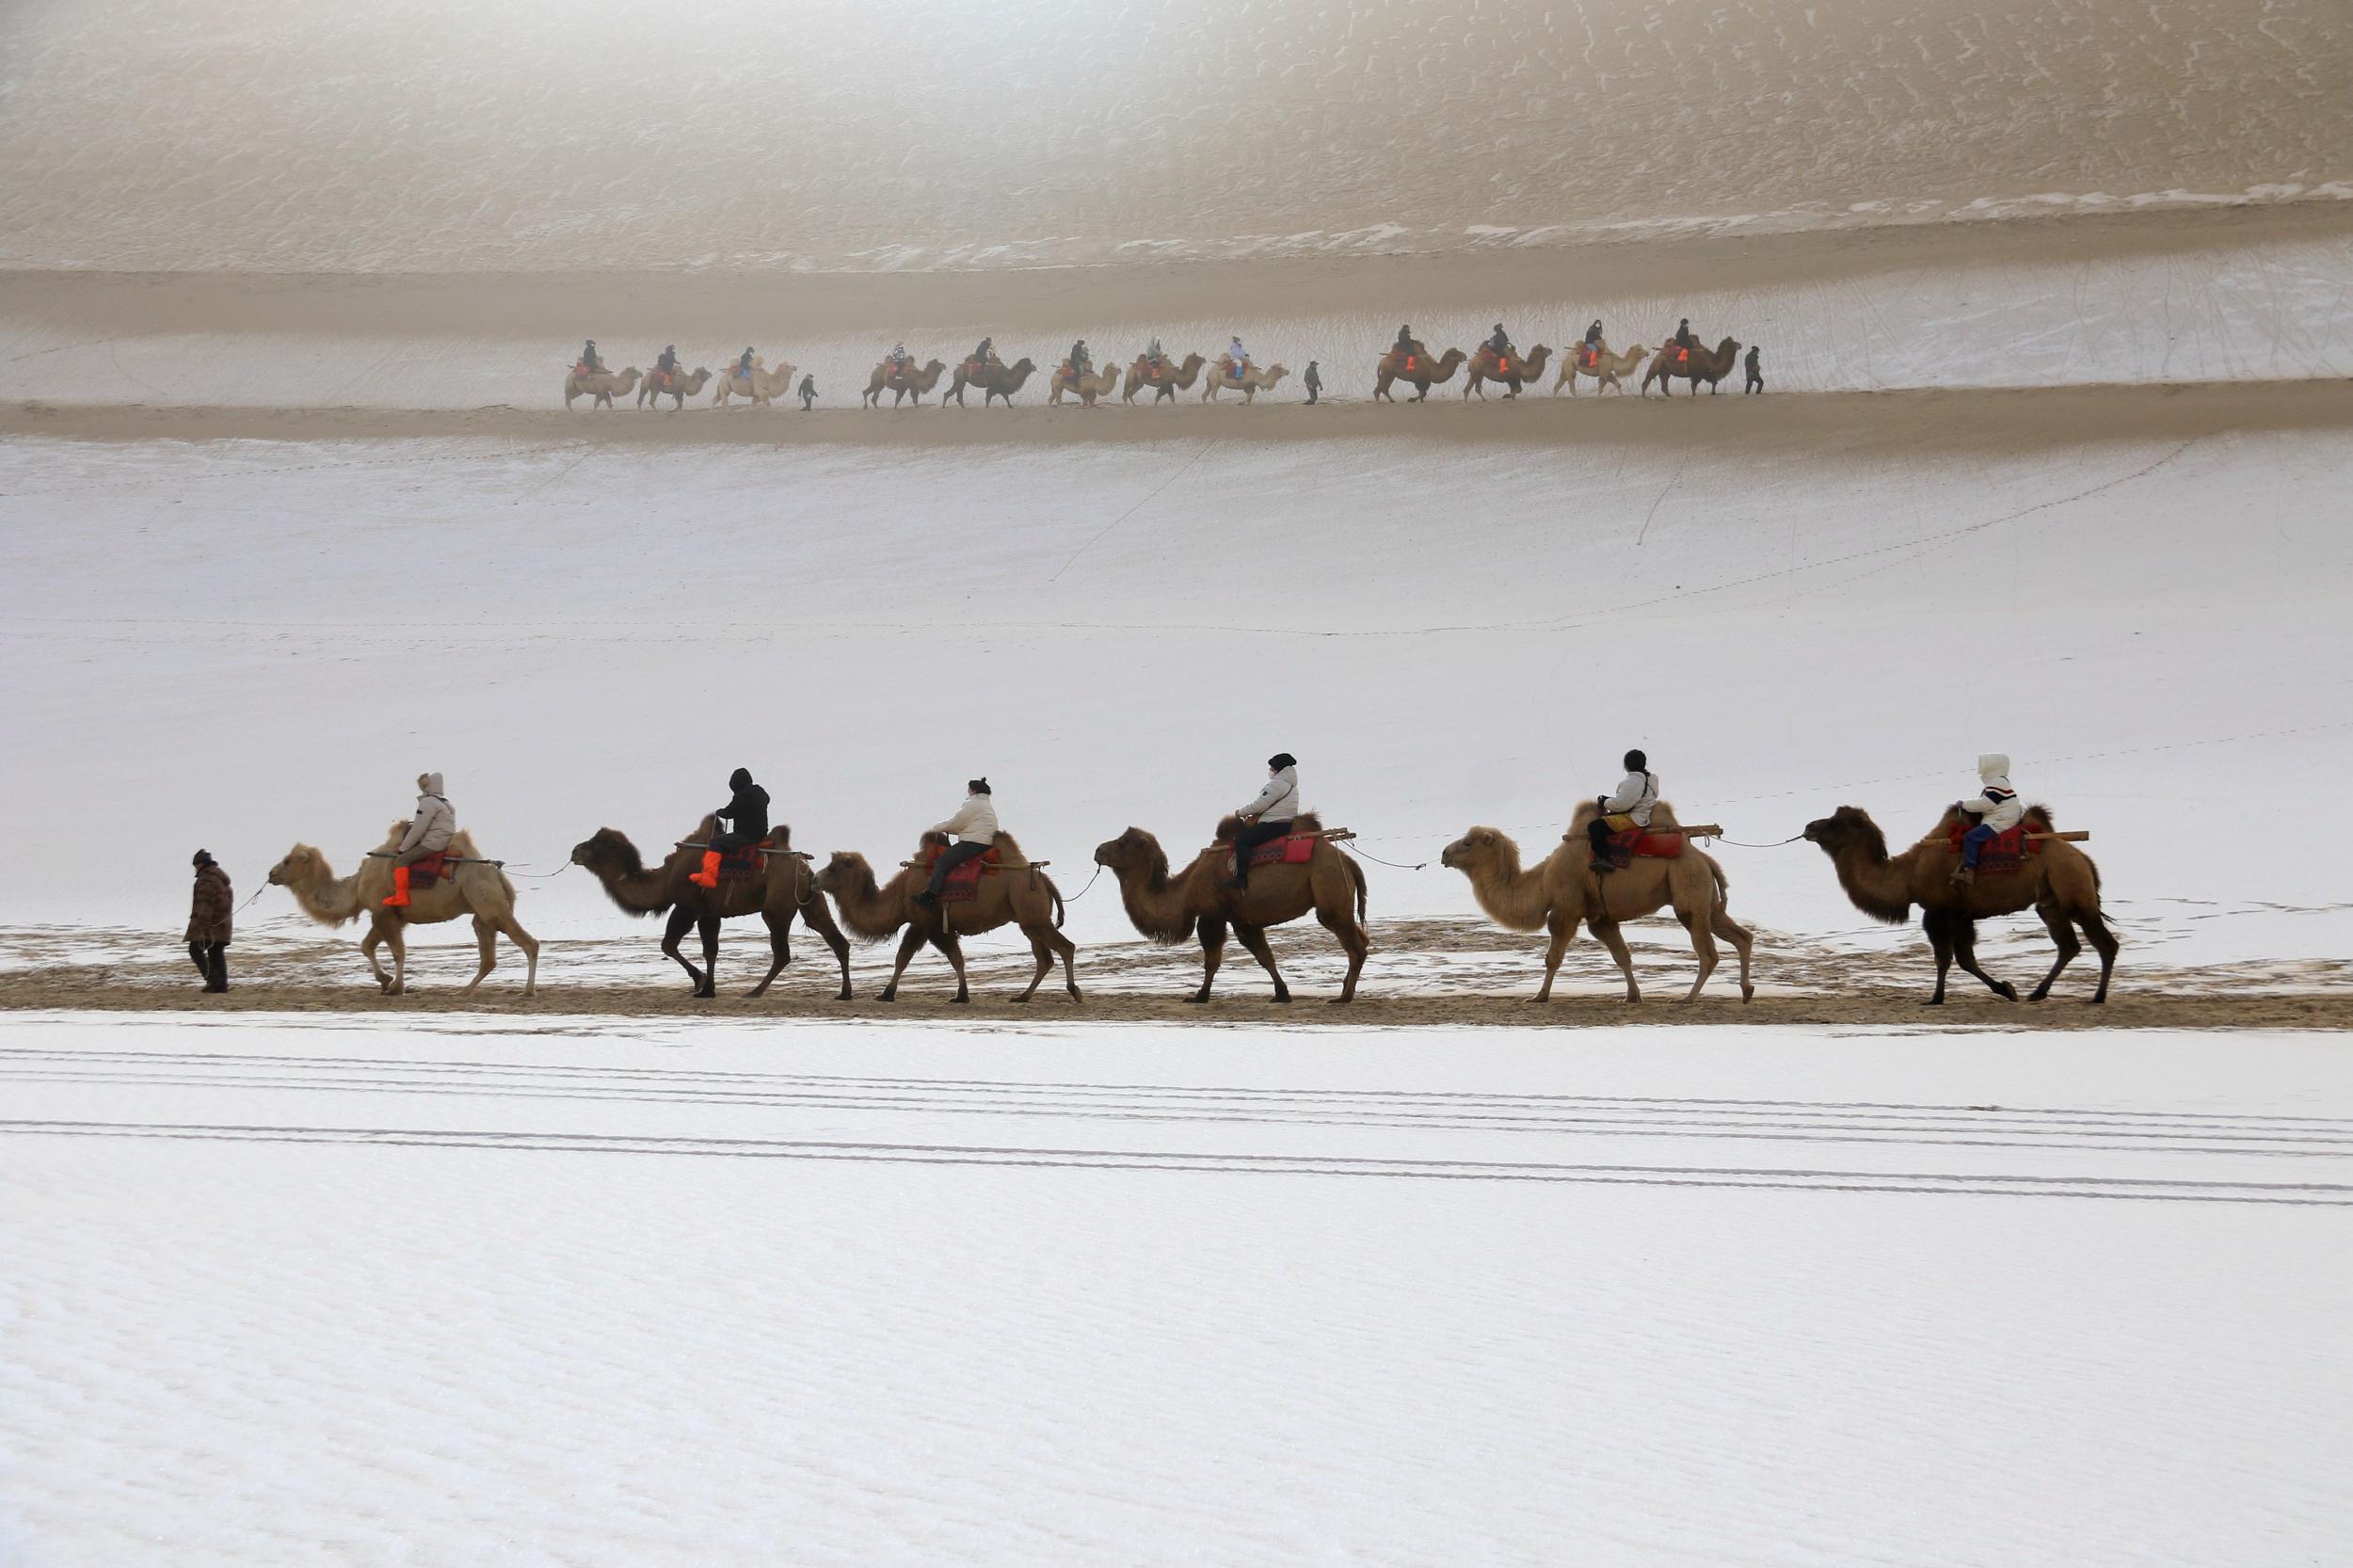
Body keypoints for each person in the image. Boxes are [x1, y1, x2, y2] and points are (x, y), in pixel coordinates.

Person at [916, 778, 999, 907]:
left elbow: (957, 821)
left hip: (973, 843)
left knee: (942, 863)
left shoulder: (973, 804)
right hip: (984, 842)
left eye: (969, 789)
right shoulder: (986, 805)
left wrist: (937, 828)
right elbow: (966, 826)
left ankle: (930, 896)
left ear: (973, 790)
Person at [1227, 753, 1300, 890]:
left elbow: (1259, 805)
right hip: (1286, 823)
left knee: (1241, 840)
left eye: (1272, 768)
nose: (1270, 771)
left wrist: (1240, 812)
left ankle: (1241, 878)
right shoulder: (1291, 785)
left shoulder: (1278, 784)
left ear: (1279, 768)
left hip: (1273, 824)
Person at [690, 767, 770, 888]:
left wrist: (720, 812)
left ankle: (709, 875)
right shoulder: (760, 793)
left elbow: (729, 812)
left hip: (746, 835)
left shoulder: (742, 796)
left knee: (716, 842)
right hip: (761, 834)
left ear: (736, 785)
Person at [382, 772, 455, 907]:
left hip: (433, 843)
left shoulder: (429, 802)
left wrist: (403, 848)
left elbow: (418, 829)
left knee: (401, 860)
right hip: (445, 840)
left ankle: (401, 896)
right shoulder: (445, 802)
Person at [1952, 754, 2024, 886]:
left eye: (1985, 765)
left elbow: (1986, 804)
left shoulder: (1998, 782)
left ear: (1993, 766)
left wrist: (1964, 804)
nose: (1982, 769)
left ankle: (1969, 871)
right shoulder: (1999, 782)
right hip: (2001, 817)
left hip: (2001, 820)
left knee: (1970, 837)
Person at [1586, 750, 1658, 873]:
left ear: (1627, 765)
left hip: (1635, 818)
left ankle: (1604, 859)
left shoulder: (1635, 781)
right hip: (1642, 814)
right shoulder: (1648, 779)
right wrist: (1609, 800)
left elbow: (1621, 805)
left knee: (1595, 827)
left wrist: (1604, 802)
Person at [186, 849, 232, 992]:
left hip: (210, 924)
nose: (195, 868)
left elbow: (204, 903)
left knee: (195, 950)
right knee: (216, 952)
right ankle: (221, 985)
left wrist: (203, 925)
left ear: (201, 864)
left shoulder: (207, 879)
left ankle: (213, 980)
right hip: (222, 922)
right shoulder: (220, 878)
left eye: (196, 864)